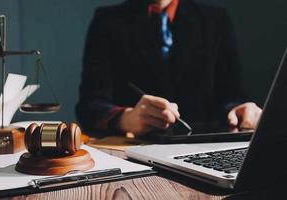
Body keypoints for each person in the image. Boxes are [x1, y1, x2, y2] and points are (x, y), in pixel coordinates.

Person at [76, 0, 262, 136]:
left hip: (202, 145)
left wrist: (240, 110)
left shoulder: (216, 19)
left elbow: (230, 94)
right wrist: (127, 118)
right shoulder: (107, 22)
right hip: (135, 150)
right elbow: (89, 107)